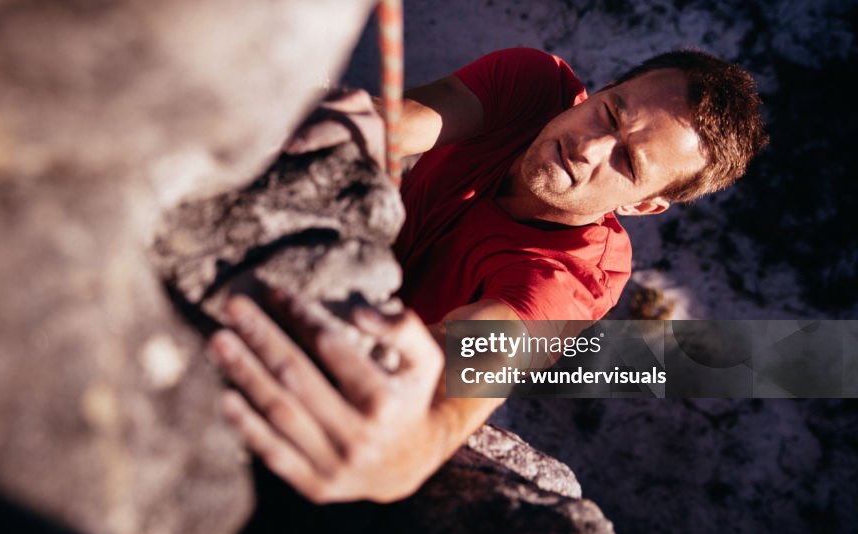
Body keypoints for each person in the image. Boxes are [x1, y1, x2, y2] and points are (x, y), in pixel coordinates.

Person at [206, 46, 767, 503]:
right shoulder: (535, 85)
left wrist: (418, 447)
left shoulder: (573, 278)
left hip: (383, 335)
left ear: (644, 206)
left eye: (628, 163)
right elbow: (405, 122)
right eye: (611, 113)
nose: (589, 147)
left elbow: (489, 352)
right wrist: (335, 121)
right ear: (597, 92)